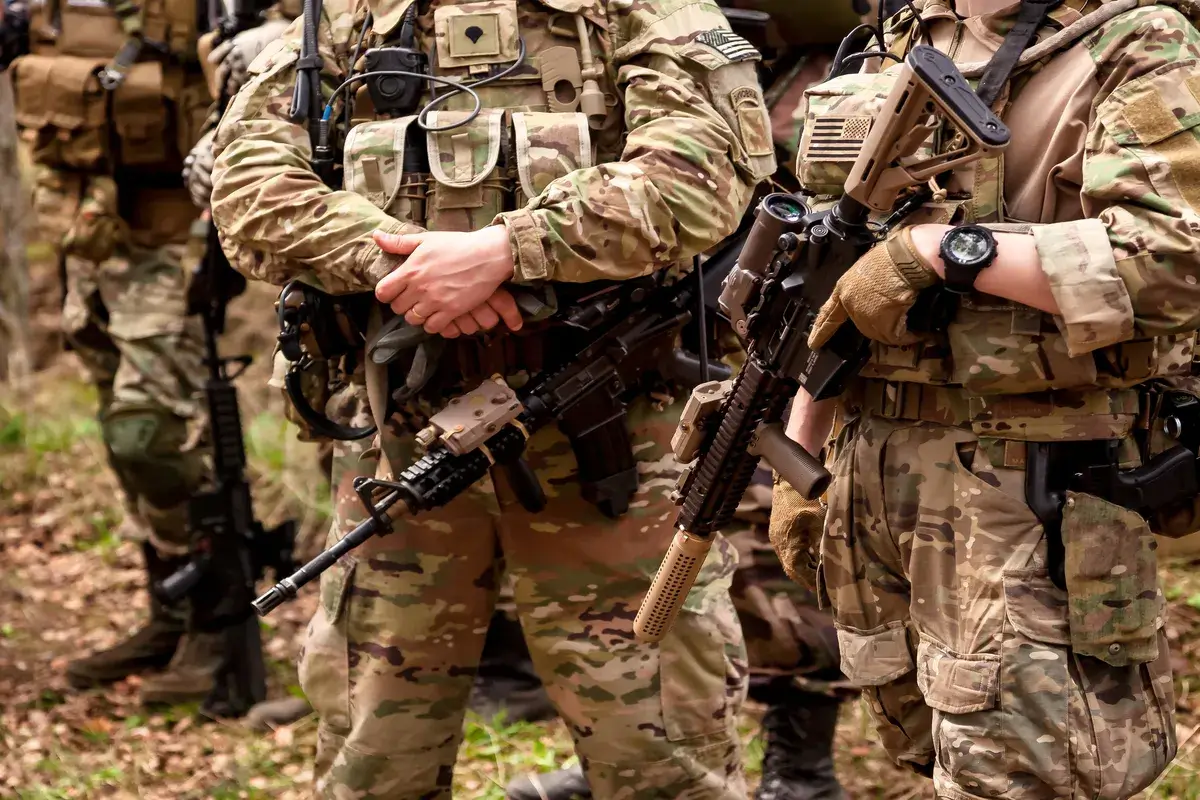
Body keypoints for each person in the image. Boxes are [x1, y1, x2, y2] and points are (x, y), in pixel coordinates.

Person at [210, 0, 773, 797]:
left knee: (663, 761)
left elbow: (704, 174)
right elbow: (247, 185)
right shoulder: (344, 16)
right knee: (373, 763)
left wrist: (509, 251)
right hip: (408, 443)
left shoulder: (639, 8)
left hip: (615, 432)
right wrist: (406, 268)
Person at [771, 0, 1196, 797]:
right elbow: (832, 287)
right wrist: (805, 452)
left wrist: (944, 252)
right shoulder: (899, 37)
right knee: (925, 756)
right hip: (877, 479)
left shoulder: (1133, 43)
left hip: (1029, 487)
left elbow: (1177, 259)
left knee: (1026, 776)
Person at [0, 0, 226, 705]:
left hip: (172, 231)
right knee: (119, 431)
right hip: (85, 233)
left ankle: (217, 629)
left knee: (153, 430)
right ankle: (170, 615)